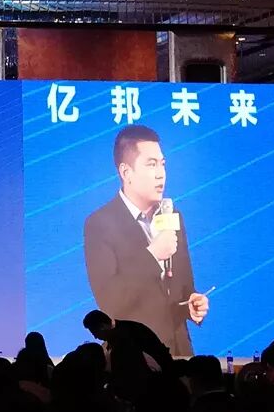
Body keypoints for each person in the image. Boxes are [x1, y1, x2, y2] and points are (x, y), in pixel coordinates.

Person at [83, 125, 208, 358]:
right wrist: (152, 255)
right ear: (126, 172)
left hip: (179, 353)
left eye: (162, 164)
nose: (161, 173)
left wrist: (191, 304)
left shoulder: (173, 216)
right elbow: (110, 301)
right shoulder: (99, 223)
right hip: (133, 355)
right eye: (151, 164)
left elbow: (182, 287)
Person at [83, 309, 173, 373]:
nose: (95, 337)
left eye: (95, 333)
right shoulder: (122, 331)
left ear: (103, 326)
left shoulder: (130, 333)